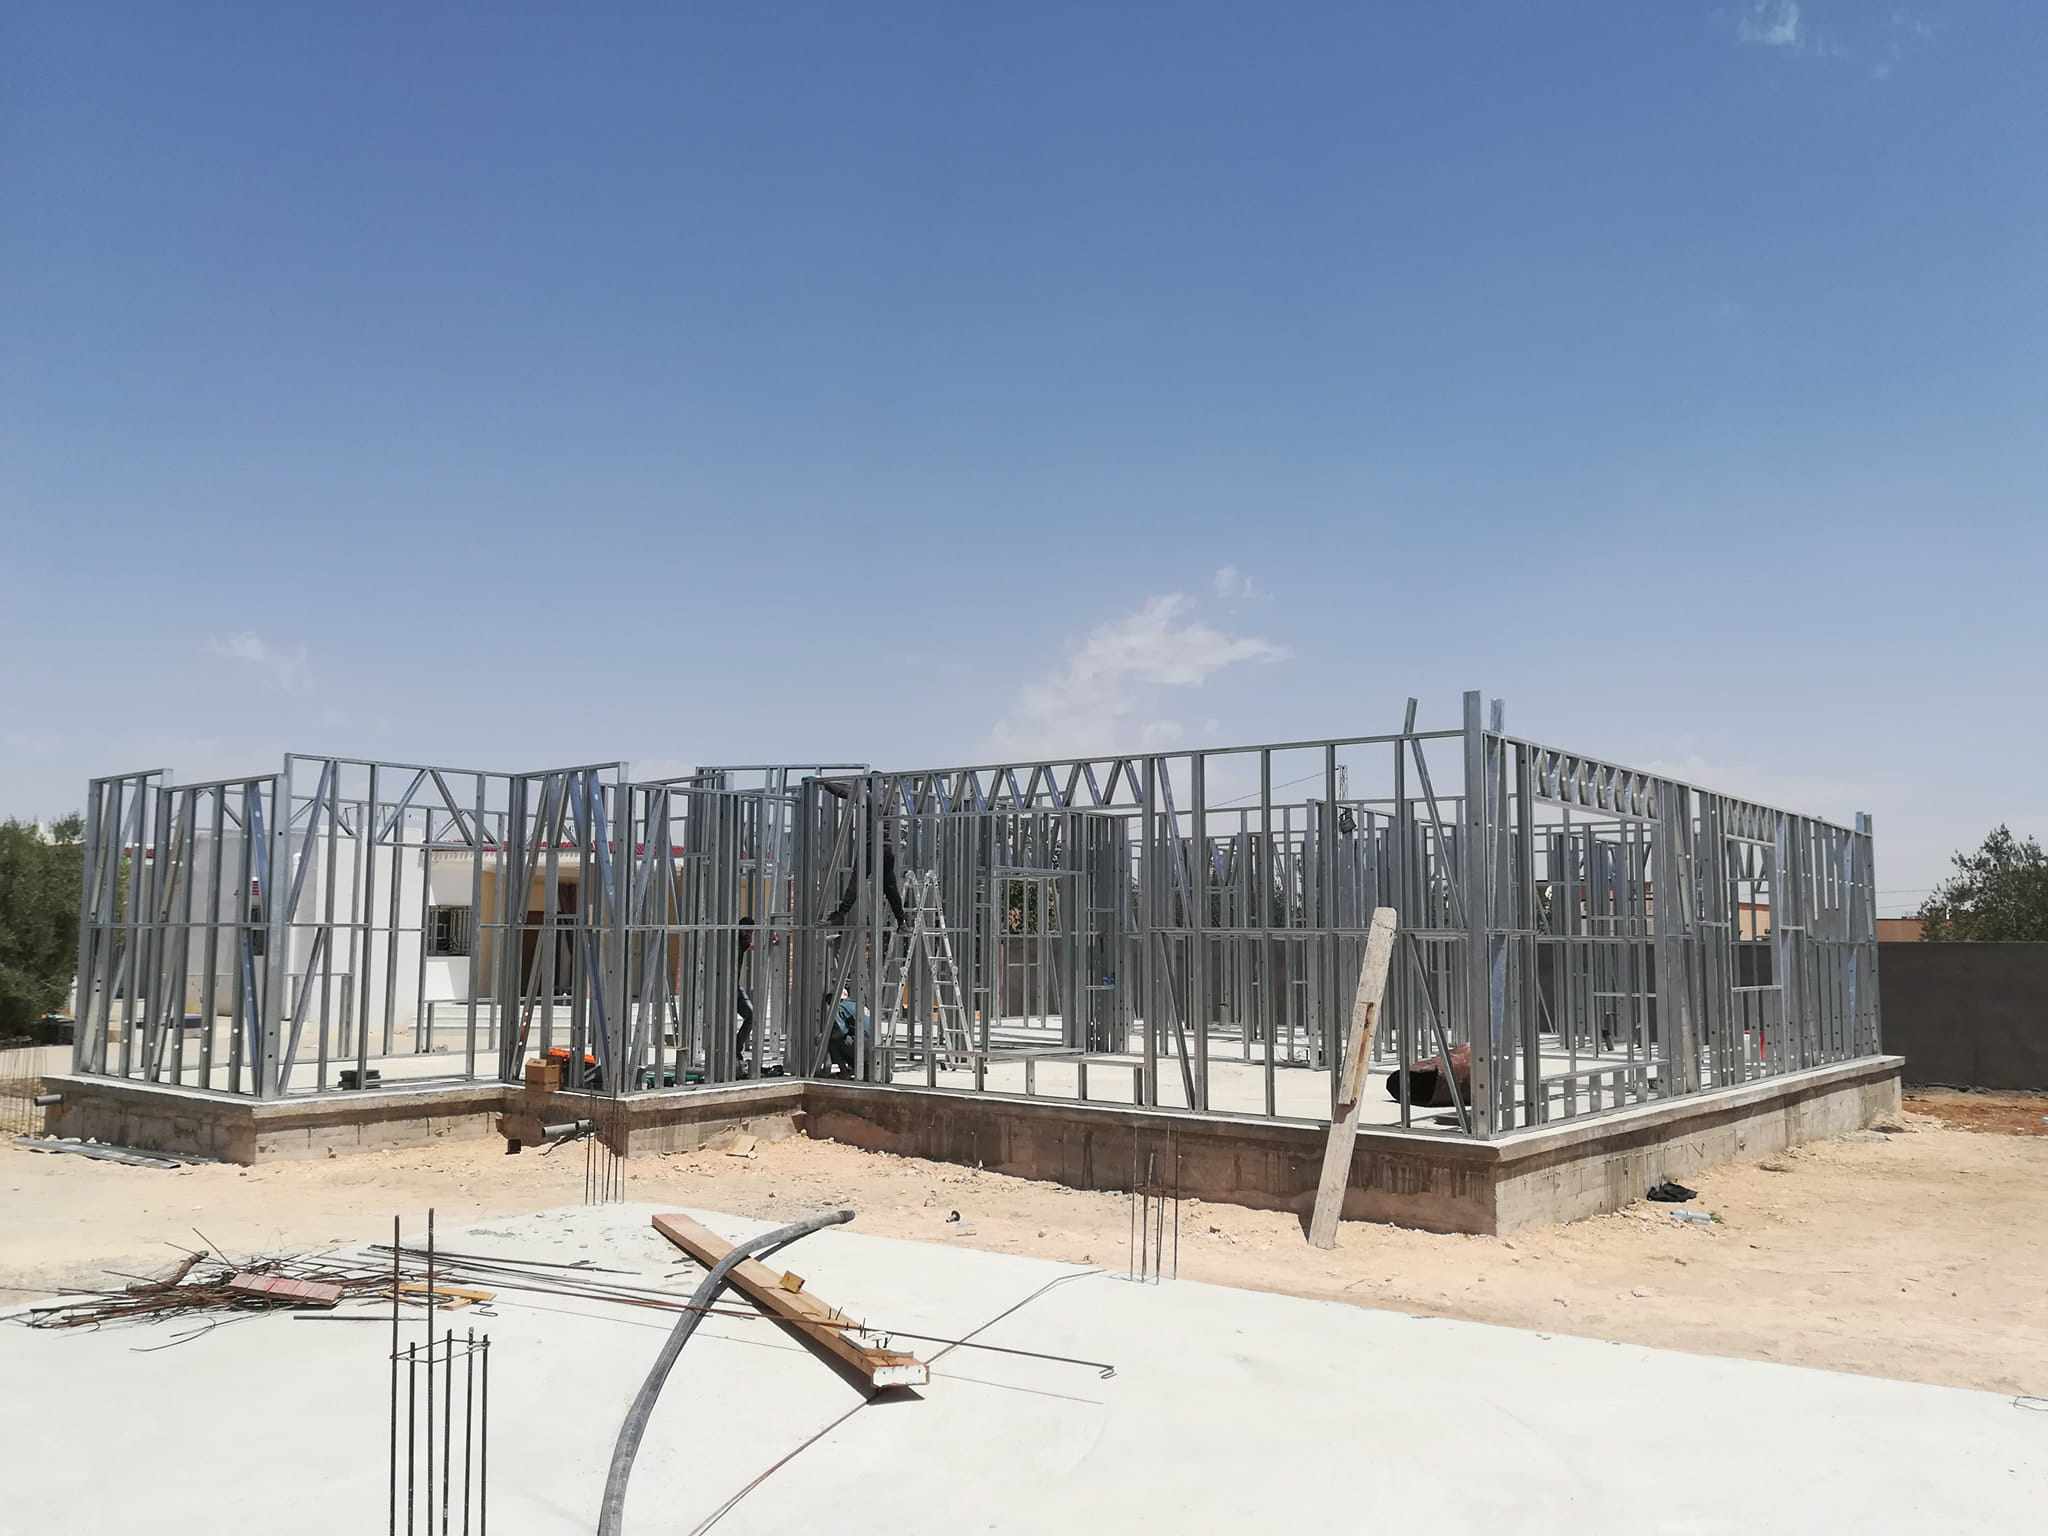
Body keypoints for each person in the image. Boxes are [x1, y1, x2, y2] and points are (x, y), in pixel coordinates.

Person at [817, 779, 908, 928]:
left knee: (856, 882)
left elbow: (845, 793)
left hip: (871, 848)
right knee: (891, 888)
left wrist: (825, 784)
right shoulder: (890, 803)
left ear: (870, 786)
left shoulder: (869, 799)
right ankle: (901, 922)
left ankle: (840, 915)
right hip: (887, 850)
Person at [823, 989, 874, 1077]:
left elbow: (840, 1031)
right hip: (874, 1046)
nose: (829, 1004)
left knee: (832, 1041)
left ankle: (844, 1072)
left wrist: (824, 1037)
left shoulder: (839, 1007)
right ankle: (856, 1069)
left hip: (862, 1045)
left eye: (829, 1001)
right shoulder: (859, 1005)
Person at [733, 917, 755, 1062]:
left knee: (752, 1016)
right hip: (721, 988)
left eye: (751, 932)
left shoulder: (743, 942)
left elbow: (751, 945)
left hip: (735, 987)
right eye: (746, 931)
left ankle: (735, 1048)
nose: (749, 935)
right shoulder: (731, 941)